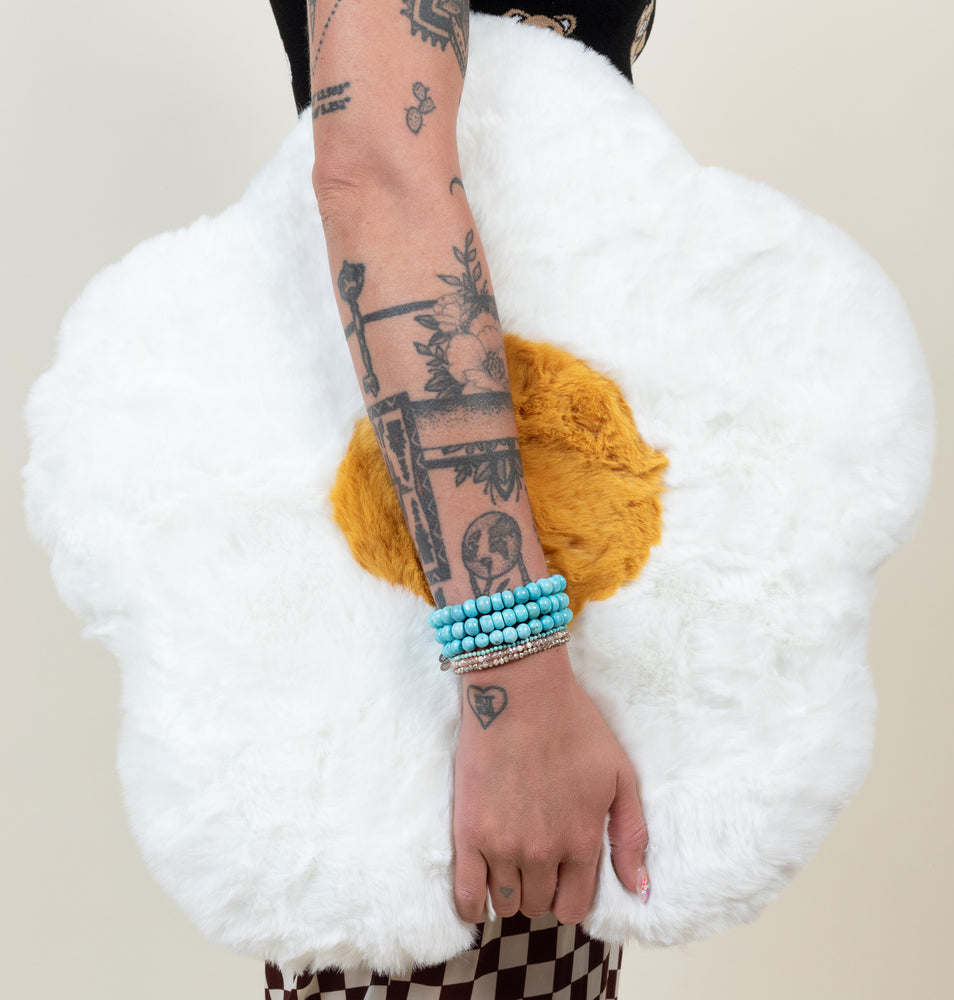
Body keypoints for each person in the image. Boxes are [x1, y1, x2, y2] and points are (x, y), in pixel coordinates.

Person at [265, 3, 659, 997]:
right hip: (444, 593)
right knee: (430, 945)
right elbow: (376, 174)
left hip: (518, 553)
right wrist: (511, 671)